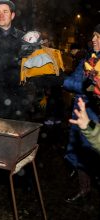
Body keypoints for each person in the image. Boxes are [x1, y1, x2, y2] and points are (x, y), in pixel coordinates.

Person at [63, 24, 100, 204]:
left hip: (96, 118)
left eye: (98, 36)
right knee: (81, 153)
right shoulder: (88, 59)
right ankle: (84, 189)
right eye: (93, 35)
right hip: (82, 114)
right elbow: (69, 82)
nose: (93, 39)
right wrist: (86, 87)